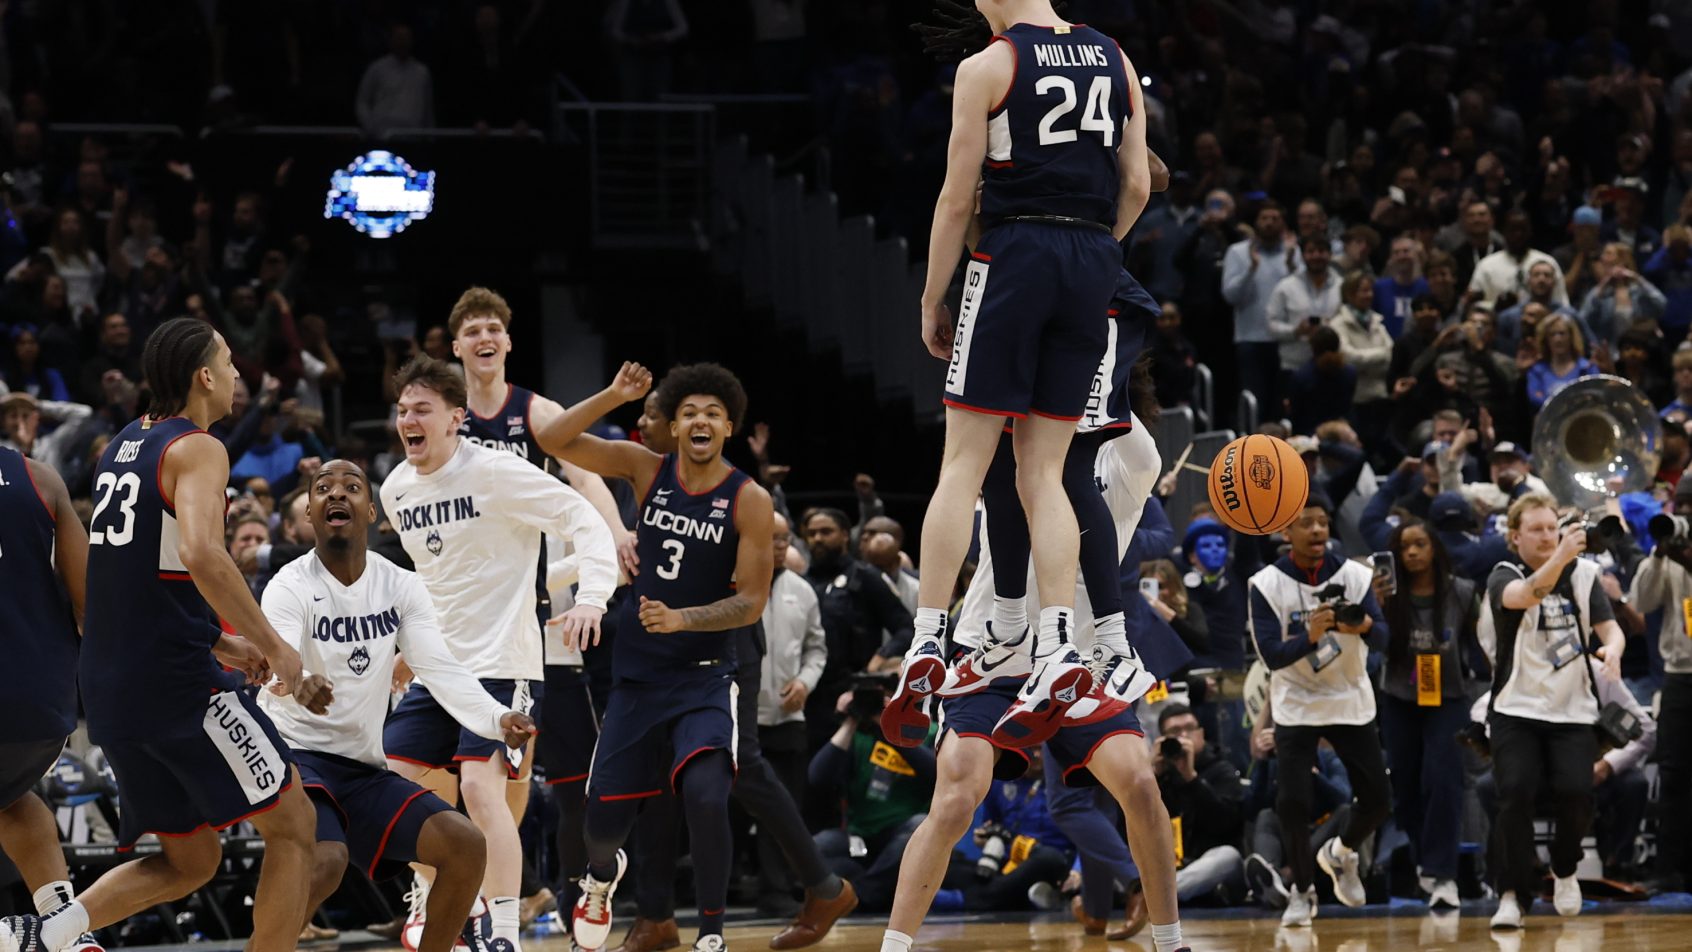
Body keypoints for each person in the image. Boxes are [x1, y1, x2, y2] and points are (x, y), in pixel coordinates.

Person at [3, 318, 330, 952]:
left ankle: (50, 935)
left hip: (111, 692)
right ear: (204, 375)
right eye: (230, 362)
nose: (239, 374)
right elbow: (205, 554)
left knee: (192, 861)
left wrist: (220, 642)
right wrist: (272, 645)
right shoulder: (201, 448)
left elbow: (135, 581)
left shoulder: (122, 446)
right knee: (294, 825)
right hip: (175, 689)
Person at [896, 0, 1152, 743]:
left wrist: (931, 296)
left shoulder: (990, 66)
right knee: (1045, 472)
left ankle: (926, 639)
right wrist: (1096, 250)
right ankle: (1058, 644)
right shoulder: (1116, 56)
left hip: (1015, 256)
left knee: (964, 464)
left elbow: (952, 200)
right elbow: (1136, 185)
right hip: (1093, 259)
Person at [879, 405, 1188, 952]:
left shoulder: (1124, 453)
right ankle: (895, 946)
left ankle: (1171, 941)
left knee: (1140, 784)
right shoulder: (1013, 421)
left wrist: (1102, 368)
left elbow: (1127, 417)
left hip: (1081, 660)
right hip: (994, 650)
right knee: (956, 796)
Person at [604, 381, 856, 952]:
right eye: (652, 416)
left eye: (654, 414)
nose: (649, 424)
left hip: (718, 648)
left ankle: (820, 884)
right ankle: (659, 913)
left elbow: (745, 587)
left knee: (740, 767)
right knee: (660, 777)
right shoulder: (640, 477)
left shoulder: (729, 490)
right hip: (651, 655)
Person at [532, 362, 776, 952]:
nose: (700, 420)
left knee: (706, 793)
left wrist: (684, 618)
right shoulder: (646, 468)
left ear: (730, 427)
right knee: (601, 829)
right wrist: (614, 396)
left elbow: (751, 602)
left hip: (704, 678)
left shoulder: (749, 499)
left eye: (713, 413)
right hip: (637, 682)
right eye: (689, 411)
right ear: (670, 423)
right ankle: (599, 877)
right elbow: (554, 440)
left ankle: (711, 934)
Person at [379, 356, 618, 952]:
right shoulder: (396, 489)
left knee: (483, 792)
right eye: (402, 410)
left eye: (422, 409)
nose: (409, 419)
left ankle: (503, 931)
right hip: (440, 667)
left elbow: (584, 518)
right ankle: (447, 909)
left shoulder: (497, 471)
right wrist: (408, 647)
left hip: (503, 663)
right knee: (397, 785)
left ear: (456, 418)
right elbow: (437, 579)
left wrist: (591, 596)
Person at [259, 460, 538, 952]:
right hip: (294, 757)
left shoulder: (402, 585)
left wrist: (496, 718)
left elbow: (440, 669)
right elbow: (278, 655)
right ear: (309, 510)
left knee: (464, 846)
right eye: (323, 489)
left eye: (351, 487)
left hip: (363, 768)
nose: (336, 494)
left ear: (372, 509)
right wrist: (297, 681)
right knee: (326, 861)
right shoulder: (289, 583)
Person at [445, 286, 628, 932]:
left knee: (571, 765)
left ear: (509, 341)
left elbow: (587, 479)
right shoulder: (444, 418)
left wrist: (617, 535)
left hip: (547, 603)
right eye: (473, 331)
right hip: (475, 610)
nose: (485, 337)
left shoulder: (537, 411)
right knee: (477, 775)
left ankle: (588, 883)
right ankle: (498, 897)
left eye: (495, 327)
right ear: (457, 346)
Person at [1483, 493, 1627, 930]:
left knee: (1575, 792)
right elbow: (1527, 594)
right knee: (1515, 793)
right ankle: (1512, 894)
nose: (1547, 536)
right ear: (1515, 537)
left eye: (1552, 527)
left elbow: (1610, 627)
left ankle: (1565, 869)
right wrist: (1562, 555)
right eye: (1537, 530)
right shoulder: (1501, 574)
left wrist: (1615, 650)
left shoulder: (1585, 573)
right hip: (1516, 706)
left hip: (1573, 708)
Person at [1247, 494, 1391, 927]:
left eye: (1324, 523)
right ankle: (1302, 891)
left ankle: (1342, 852)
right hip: (1296, 702)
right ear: (1285, 531)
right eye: (1306, 524)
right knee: (1291, 801)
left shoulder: (1354, 576)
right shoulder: (1265, 584)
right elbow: (1272, 655)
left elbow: (1384, 637)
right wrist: (1310, 635)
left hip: (1349, 695)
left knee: (1379, 800)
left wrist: (1362, 624)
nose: (1317, 532)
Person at [0, 444, 100, 952]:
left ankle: (16, 937)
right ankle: (65, 927)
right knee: (13, 797)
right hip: (42, 706)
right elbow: (91, 604)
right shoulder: (40, 478)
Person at [1372, 519, 1487, 911]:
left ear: (1434, 547)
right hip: (1398, 697)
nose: (1412, 553)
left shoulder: (1462, 591)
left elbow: (1484, 640)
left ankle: (1443, 874)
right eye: (1404, 547)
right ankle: (1424, 859)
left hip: (1450, 696)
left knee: (1444, 779)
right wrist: (1374, 602)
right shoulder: (1386, 593)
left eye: (1420, 544)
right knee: (1405, 785)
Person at [1629, 497, 1692, 892]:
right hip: (1680, 676)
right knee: (1674, 775)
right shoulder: (1668, 558)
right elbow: (1641, 601)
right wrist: (1660, 555)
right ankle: (1670, 866)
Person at [1151, 705, 1245, 902]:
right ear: (1161, 740)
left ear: (1201, 734)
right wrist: (1152, 778)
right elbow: (1129, 826)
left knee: (1228, 857)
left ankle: (1153, 897)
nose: (1184, 736)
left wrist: (1191, 779)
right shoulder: (1158, 777)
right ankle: (1159, 895)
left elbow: (1226, 823)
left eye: (1190, 729)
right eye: (1175, 732)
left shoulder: (1222, 770)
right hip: (1165, 866)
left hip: (1206, 864)